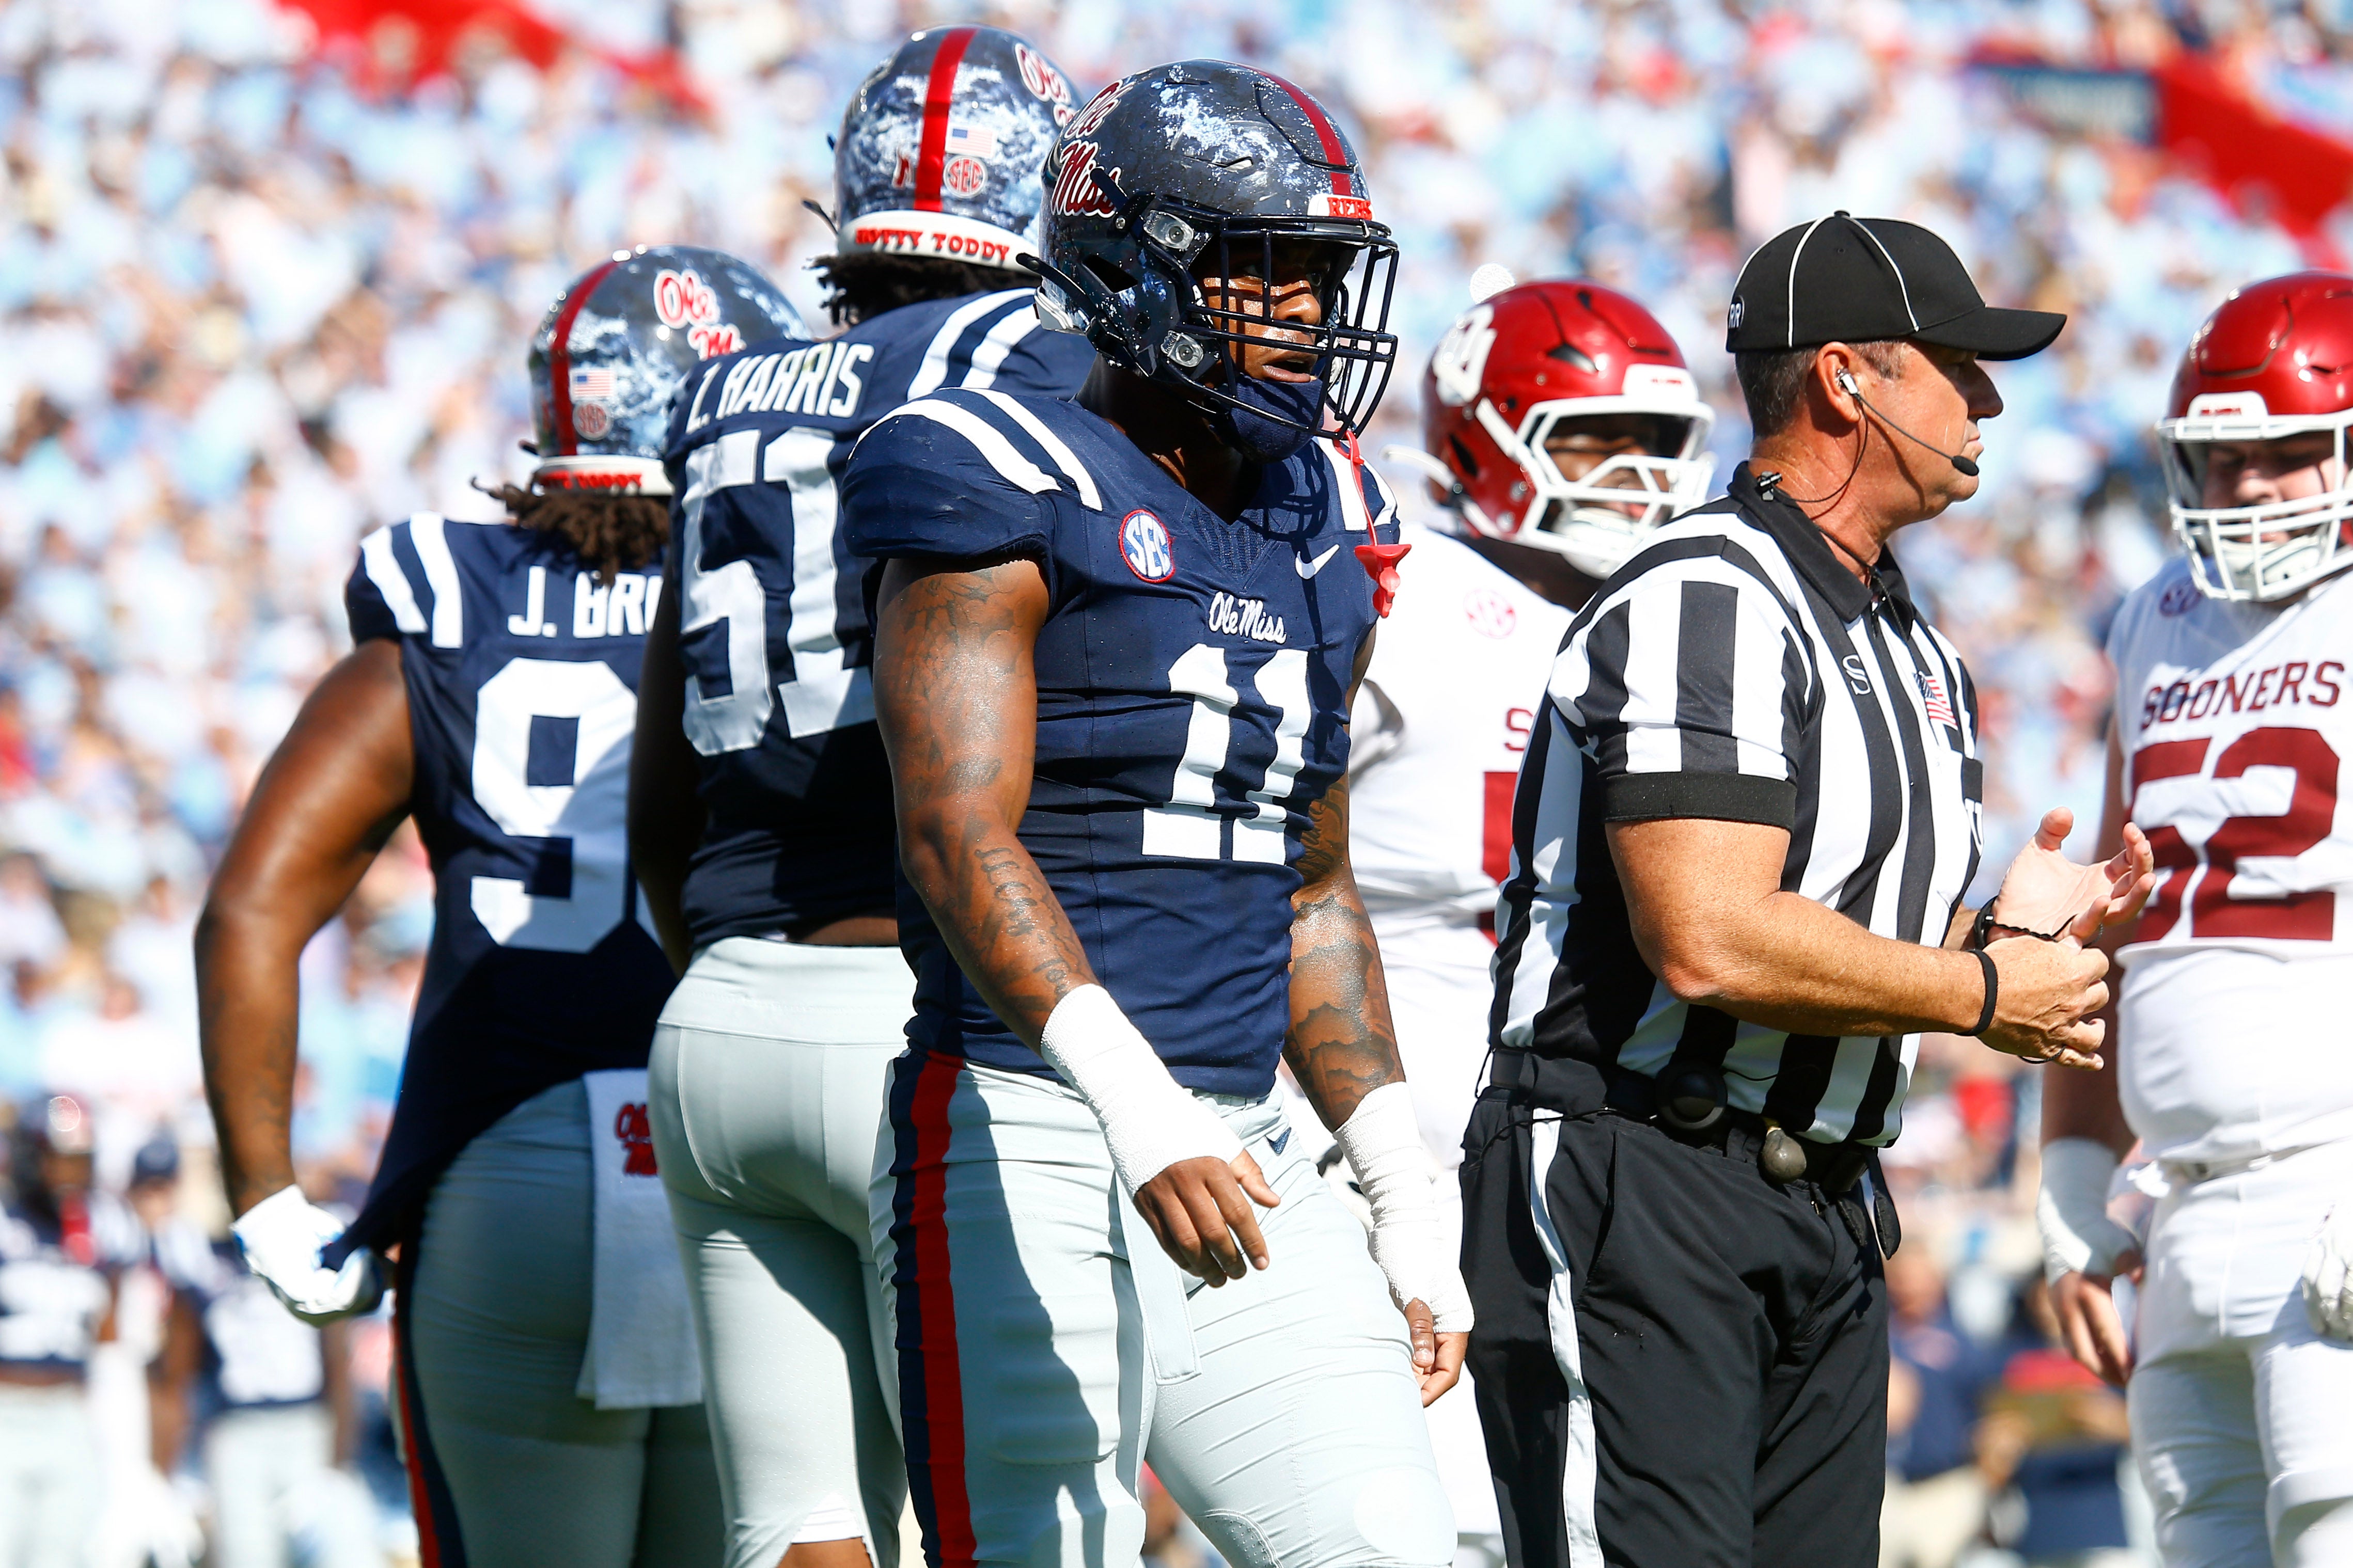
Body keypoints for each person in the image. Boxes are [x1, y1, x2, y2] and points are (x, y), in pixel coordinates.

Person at [839, 60, 1470, 1568]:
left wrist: (1395, 1161)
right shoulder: (993, 462)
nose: (1312, 319)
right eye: (1272, 279)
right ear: (1138, 264)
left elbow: (1306, 880)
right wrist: (1138, 1106)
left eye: (1325, 281)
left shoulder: (1318, 512)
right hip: (1028, 1122)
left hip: (1251, 1141)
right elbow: (953, 833)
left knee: (1394, 1545)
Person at [1461, 211, 2155, 1568]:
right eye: (1956, 364)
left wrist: (2011, 934)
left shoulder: (1911, 641)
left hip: (1822, 1199)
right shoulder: (1698, 592)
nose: (1992, 401)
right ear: (1846, 378)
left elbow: (1831, 933)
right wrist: (1975, 988)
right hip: (1641, 1169)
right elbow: (1709, 936)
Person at [195, 245, 806, 1567]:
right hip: (743, 1158)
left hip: (509, 1163)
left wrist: (265, 1198)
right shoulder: (797, 592)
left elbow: (250, 905)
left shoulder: (446, 593)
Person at [626, 27, 1093, 1568]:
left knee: (798, 1528)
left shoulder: (722, 393)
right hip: (909, 1007)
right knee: (1017, 1518)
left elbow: (659, 774)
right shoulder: (1026, 363)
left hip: (721, 1000)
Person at [1357, 277, 1715, 1548]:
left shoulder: (1674, 616)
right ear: (1479, 435)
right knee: (1442, 1522)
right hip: (1387, 1132)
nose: (1630, 474)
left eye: (1655, 442)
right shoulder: (1401, 603)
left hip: (1573, 1157)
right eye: (1585, 437)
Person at [2039, 270, 2353, 1567]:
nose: (2240, 493)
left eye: (2280, 456)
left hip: (2329, 1172)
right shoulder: (2149, 620)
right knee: (2201, 1544)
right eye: (2216, 461)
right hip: (2175, 1201)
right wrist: (2069, 1196)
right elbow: (2101, 914)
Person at [138, 1136, 381, 1568]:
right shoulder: (197, 1253)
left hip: (309, 1425)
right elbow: (174, 1375)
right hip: (237, 1435)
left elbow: (338, 1361)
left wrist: (338, 1466)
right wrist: (161, 1478)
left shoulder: (312, 1242)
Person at [0, 1096, 121, 1568]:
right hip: (7, 1411)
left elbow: (111, 1343)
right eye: (58, 1157)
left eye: (80, 1159)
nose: (70, 1172)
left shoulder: (104, 1227)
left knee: (63, 1553)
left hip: (71, 1413)